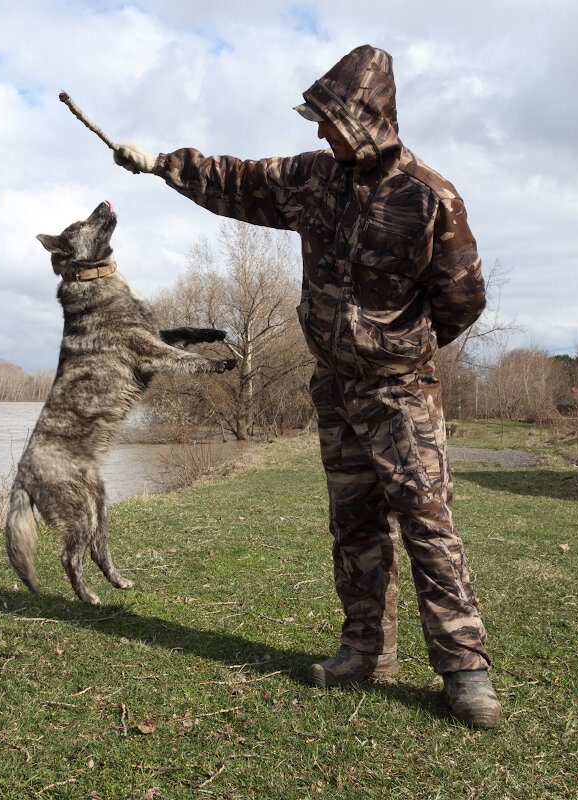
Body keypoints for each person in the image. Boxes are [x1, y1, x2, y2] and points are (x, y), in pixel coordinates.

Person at [112, 44, 501, 729]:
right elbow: (234, 179)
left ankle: (465, 671)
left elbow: (462, 299)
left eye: (331, 120)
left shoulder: (430, 198)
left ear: (370, 120)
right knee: (353, 523)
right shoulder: (312, 181)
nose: (320, 132)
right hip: (335, 389)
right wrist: (160, 165)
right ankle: (364, 650)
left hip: (400, 392)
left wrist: (397, 348)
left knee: (427, 521)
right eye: (317, 119)